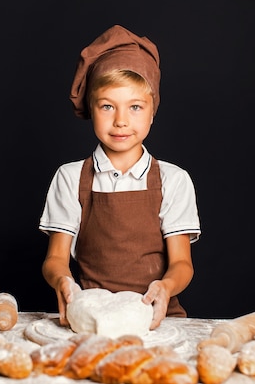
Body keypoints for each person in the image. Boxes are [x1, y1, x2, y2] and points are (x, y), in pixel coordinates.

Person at [39, 25, 201, 330]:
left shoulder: (173, 180)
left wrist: (165, 288)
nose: (121, 121)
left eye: (136, 107)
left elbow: (182, 264)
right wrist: (62, 280)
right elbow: (56, 258)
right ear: (91, 107)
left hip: (158, 320)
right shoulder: (70, 178)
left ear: (153, 111)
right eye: (107, 106)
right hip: (91, 321)